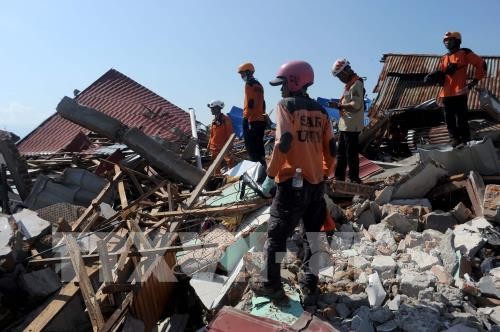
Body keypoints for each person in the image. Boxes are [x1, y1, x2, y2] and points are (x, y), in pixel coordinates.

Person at [251, 61, 336, 305]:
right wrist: (325, 174)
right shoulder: (321, 111)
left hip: (291, 184)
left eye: (282, 84)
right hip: (316, 185)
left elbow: (283, 142)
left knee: (277, 237)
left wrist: (270, 175)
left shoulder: (285, 106)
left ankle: (272, 286)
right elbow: (331, 148)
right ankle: (310, 285)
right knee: (314, 236)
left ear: (294, 82)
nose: (280, 90)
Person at [425, 31, 487, 148]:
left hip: (460, 92)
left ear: (457, 41)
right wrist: (435, 76)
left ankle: (465, 140)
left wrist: (472, 83)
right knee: (449, 120)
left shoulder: (464, 52)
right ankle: (454, 140)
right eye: (445, 41)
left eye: (450, 40)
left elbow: (482, 64)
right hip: (446, 94)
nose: (447, 42)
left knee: (461, 119)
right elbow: (443, 75)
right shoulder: (444, 57)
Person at [329, 58, 364, 184]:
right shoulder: (350, 85)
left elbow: (356, 105)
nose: (340, 79)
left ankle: (354, 179)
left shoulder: (357, 84)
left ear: (344, 72)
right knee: (341, 154)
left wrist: (339, 106)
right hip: (345, 125)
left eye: (339, 76)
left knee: (351, 154)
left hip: (352, 126)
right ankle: (339, 178)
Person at [237, 62, 267, 169]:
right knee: (260, 147)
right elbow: (263, 103)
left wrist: (246, 118)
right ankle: (264, 167)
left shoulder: (249, 84)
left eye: (242, 74)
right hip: (260, 119)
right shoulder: (259, 85)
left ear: (249, 72)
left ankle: (256, 170)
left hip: (251, 120)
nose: (242, 76)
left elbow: (250, 103)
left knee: (252, 149)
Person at [207, 100, 234, 174]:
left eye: (212, 108)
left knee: (230, 162)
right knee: (216, 167)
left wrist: (230, 146)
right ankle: (218, 180)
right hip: (214, 148)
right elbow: (211, 135)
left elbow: (230, 134)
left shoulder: (226, 119)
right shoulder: (214, 121)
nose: (211, 110)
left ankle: (233, 178)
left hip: (224, 148)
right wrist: (208, 147)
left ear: (217, 108)